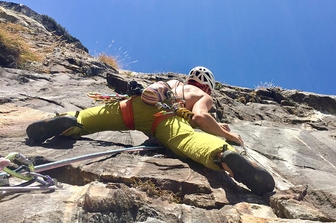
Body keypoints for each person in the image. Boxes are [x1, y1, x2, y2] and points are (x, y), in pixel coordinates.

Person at [26, 66, 275, 195]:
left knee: (88, 118)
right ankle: (222, 156)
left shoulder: (176, 83)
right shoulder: (202, 95)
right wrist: (228, 136)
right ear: (207, 87)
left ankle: (69, 121)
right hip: (164, 117)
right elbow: (199, 117)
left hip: (138, 101)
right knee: (189, 140)